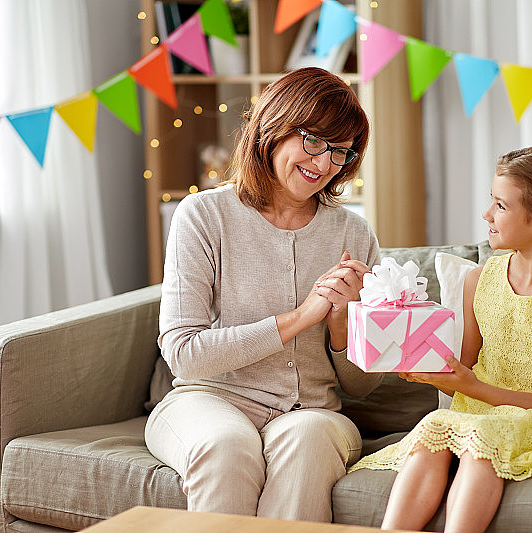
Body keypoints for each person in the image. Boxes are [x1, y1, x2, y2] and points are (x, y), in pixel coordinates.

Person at [145, 67, 383, 522]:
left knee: (309, 438)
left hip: (311, 412)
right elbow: (183, 354)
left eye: (340, 151)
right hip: (207, 400)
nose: (324, 164)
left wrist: (340, 327)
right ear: (275, 127)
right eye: (313, 141)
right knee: (226, 445)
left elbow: (363, 386)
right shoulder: (203, 214)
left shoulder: (353, 233)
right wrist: (302, 317)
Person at [349, 145, 532, 533]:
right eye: (491, 201)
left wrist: (471, 386)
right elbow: (463, 369)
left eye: (501, 205)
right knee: (433, 427)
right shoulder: (479, 280)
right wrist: (425, 369)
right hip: (478, 413)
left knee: (481, 439)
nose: (487, 214)